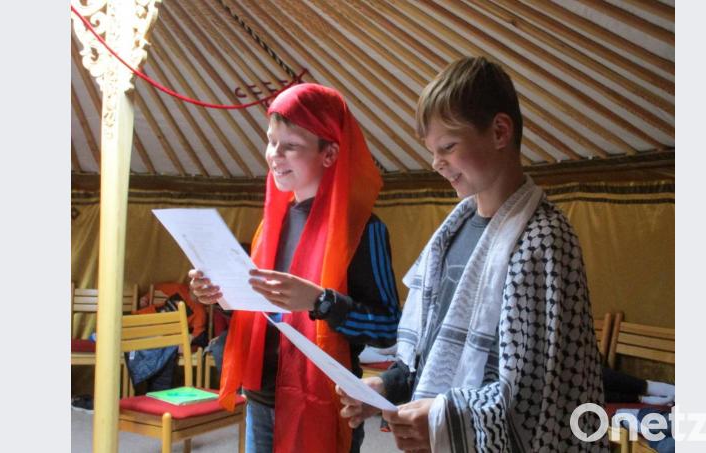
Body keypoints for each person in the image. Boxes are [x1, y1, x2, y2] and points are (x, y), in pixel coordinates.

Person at [337, 56, 607, 452]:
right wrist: (386, 385)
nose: (436, 163)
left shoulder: (543, 240)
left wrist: (443, 415)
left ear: (499, 131)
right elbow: (431, 350)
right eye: (432, 150)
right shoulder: (452, 232)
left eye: (448, 146)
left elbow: (537, 395)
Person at [189, 83, 401, 453]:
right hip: (260, 396)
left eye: (291, 145)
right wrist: (222, 295)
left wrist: (322, 302)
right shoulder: (271, 224)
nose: (275, 155)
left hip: (323, 402)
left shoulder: (364, 229)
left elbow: (388, 327)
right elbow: (261, 306)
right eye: (271, 142)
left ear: (330, 153)